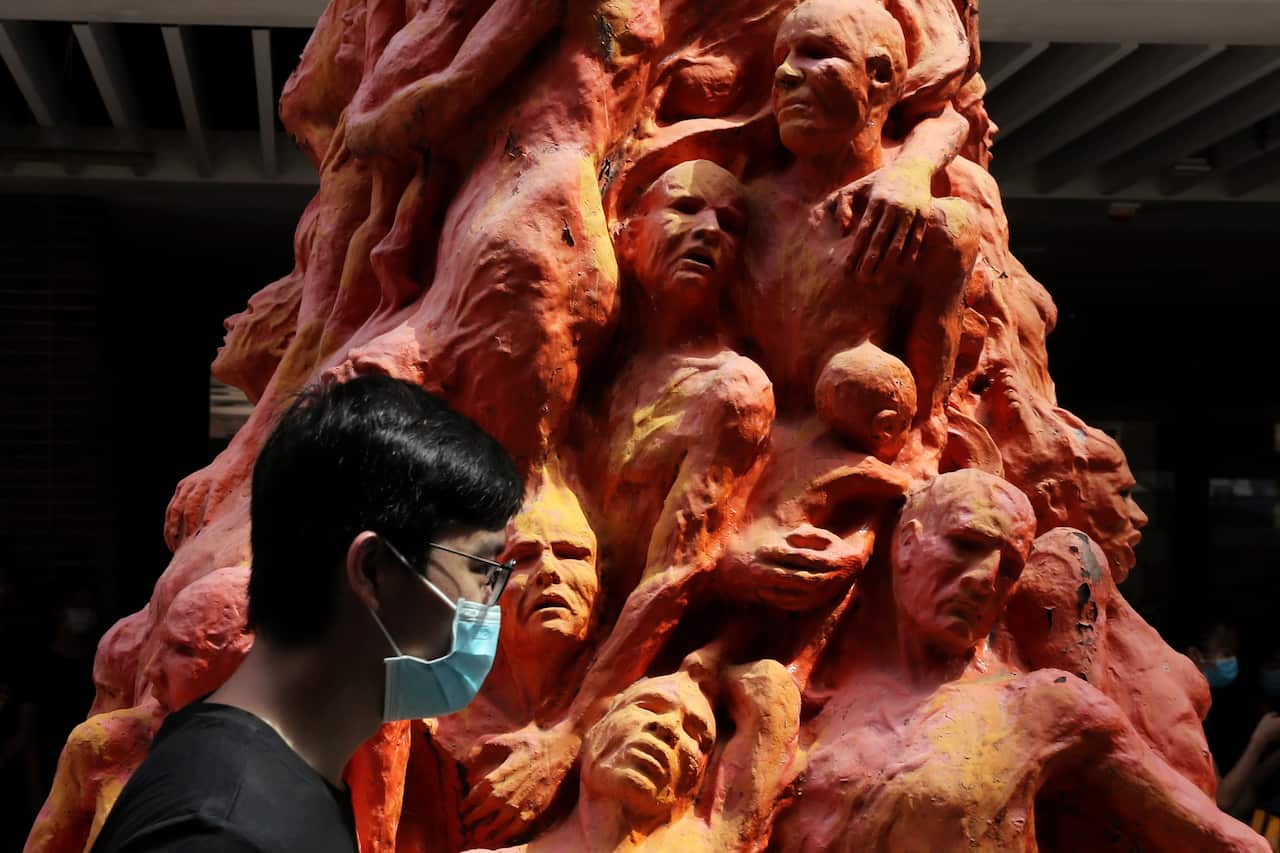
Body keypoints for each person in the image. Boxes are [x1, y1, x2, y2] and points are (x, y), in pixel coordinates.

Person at [89, 376, 523, 853]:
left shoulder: (271, 783)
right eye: (481, 567)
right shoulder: (218, 830)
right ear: (373, 571)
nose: (490, 599)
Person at [772, 469, 1265, 852]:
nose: (984, 579)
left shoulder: (1041, 707)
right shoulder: (800, 693)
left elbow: (1227, 842)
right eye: (966, 545)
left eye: (1008, 567)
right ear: (907, 542)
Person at [25, 566, 253, 853]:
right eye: (162, 644)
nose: (152, 670)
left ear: (245, 660)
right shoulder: (106, 744)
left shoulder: (287, 758)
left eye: (183, 649)